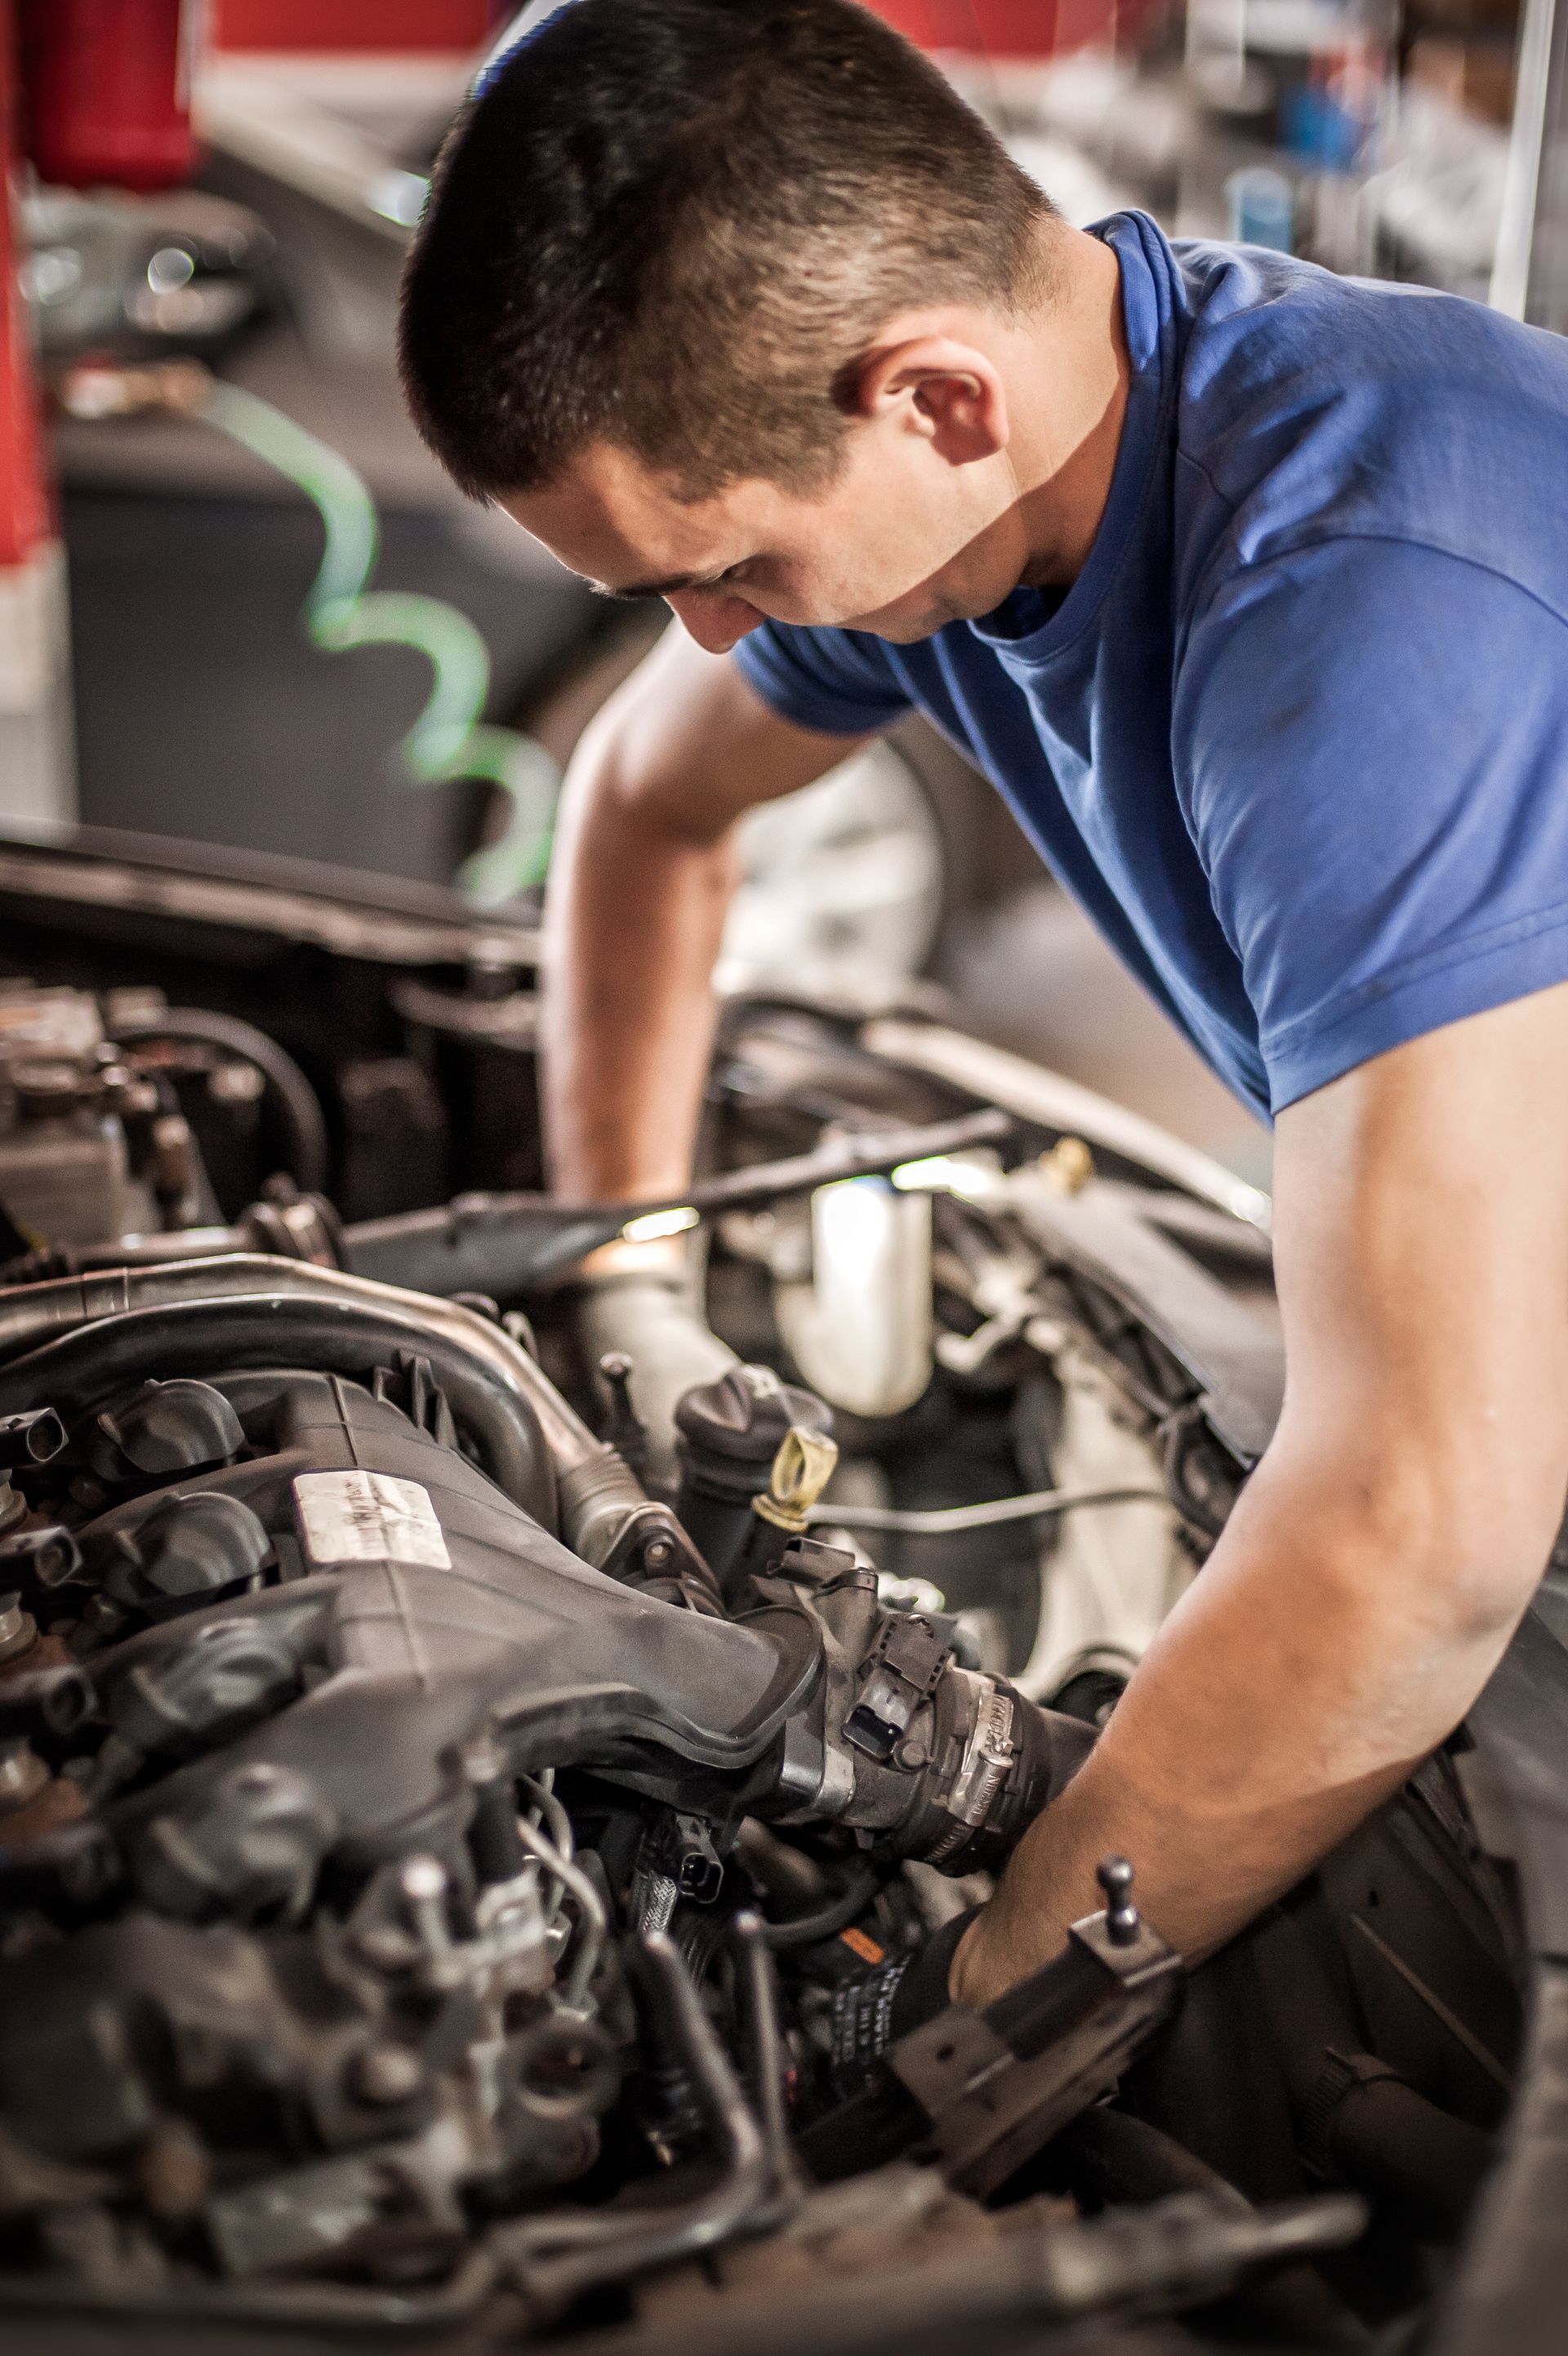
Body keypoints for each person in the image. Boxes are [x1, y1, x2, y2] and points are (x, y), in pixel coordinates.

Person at [399, 0, 1568, 2011]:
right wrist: (637, 1275)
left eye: (734, 565)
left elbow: (1424, 1520)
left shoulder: (1361, 605)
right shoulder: (999, 498)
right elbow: (645, 806)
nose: (713, 629)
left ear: (935, 398)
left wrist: (970, 2016)